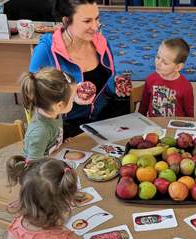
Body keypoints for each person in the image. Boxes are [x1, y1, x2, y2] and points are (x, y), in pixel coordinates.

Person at [29, 0, 130, 139]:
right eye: (87, 21)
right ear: (66, 21)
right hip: (65, 125)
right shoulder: (45, 51)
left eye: (97, 18)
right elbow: (34, 97)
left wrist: (117, 86)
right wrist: (69, 95)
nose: (96, 27)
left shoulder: (102, 43)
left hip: (102, 119)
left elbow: (107, 83)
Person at [20, 68, 76, 160]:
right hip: (38, 169)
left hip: (52, 156)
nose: (74, 101)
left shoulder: (54, 112)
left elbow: (51, 137)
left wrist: (59, 144)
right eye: (73, 99)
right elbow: (33, 166)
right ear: (59, 105)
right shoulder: (40, 132)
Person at [138, 38, 194, 118]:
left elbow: (189, 113)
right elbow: (143, 105)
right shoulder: (151, 79)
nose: (158, 63)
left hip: (175, 126)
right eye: (158, 57)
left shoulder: (186, 86)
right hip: (154, 125)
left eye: (165, 62)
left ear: (178, 67)